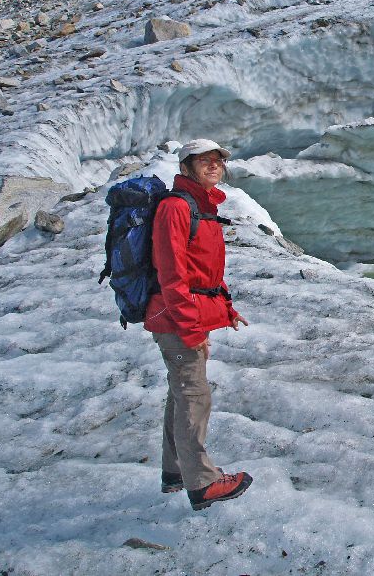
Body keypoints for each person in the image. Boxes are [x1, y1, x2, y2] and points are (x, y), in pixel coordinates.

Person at [145, 138, 252, 510]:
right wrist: (190, 329)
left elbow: (204, 272)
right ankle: (203, 483)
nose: (213, 166)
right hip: (175, 317)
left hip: (186, 315)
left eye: (217, 161)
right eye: (203, 161)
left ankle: (175, 471)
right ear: (186, 168)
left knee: (182, 393)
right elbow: (172, 276)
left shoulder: (201, 208)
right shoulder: (176, 208)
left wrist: (225, 309)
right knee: (195, 395)